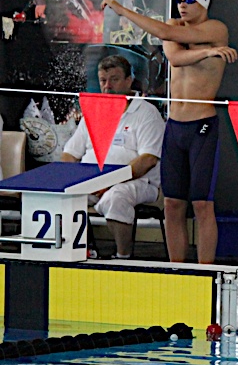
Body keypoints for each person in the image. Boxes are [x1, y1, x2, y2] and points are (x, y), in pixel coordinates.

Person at [101, 0, 238, 264]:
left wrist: (123, 10)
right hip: (174, 127)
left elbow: (177, 42)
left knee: (202, 205)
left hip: (201, 127)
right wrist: (208, 52)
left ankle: (205, 272)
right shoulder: (174, 27)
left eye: (189, 1)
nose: (182, 6)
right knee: (173, 204)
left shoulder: (217, 29)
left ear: (204, 4)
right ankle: (178, 270)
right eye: (179, 1)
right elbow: (174, 57)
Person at [61, 55, 164, 259]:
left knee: (116, 197)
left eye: (114, 80)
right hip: (92, 181)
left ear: (129, 81)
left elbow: (148, 160)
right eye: (103, 80)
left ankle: (122, 257)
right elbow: (70, 154)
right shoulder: (94, 112)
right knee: (63, 196)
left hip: (138, 182)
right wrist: (68, 179)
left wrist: (109, 182)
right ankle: (82, 251)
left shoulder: (146, 113)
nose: (107, 86)